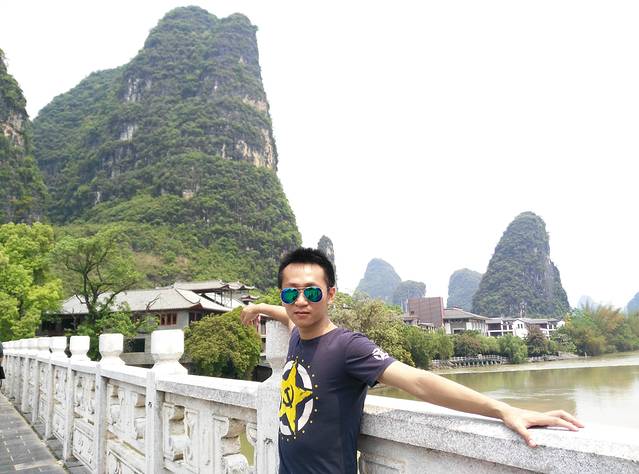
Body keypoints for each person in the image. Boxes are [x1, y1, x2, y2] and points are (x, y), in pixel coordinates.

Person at [241, 248, 583, 474]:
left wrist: (503, 410)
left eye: (312, 292)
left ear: (330, 295)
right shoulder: (297, 334)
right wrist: (257, 307)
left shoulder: (347, 347)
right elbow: (287, 315)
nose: (301, 301)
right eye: (291, 292)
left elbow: (419, 382)